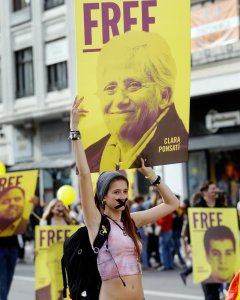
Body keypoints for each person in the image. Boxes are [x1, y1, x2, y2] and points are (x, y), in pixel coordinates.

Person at [70, 96, 179, 300]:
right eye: (116, 192)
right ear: (103, 197)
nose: (123, 197)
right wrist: (75, 130)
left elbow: (173, 203)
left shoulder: (132, 221)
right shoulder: (95, 223)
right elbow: (84, 174)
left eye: (125, 191)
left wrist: (151, 175)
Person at [85, 31, 188, 172]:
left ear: (164, 96)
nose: (120, 100)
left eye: (133, 85)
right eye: (110, 88)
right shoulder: (89, 157)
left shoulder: (177, 147)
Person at [195, 180, 226, 300]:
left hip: (221, 251)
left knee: (218, 287)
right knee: (209, 288)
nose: (215, 191)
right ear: (205, 192)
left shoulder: (222, 206)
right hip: (204, 252)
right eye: (213, 189)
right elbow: (191, 229)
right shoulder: (197, 208)